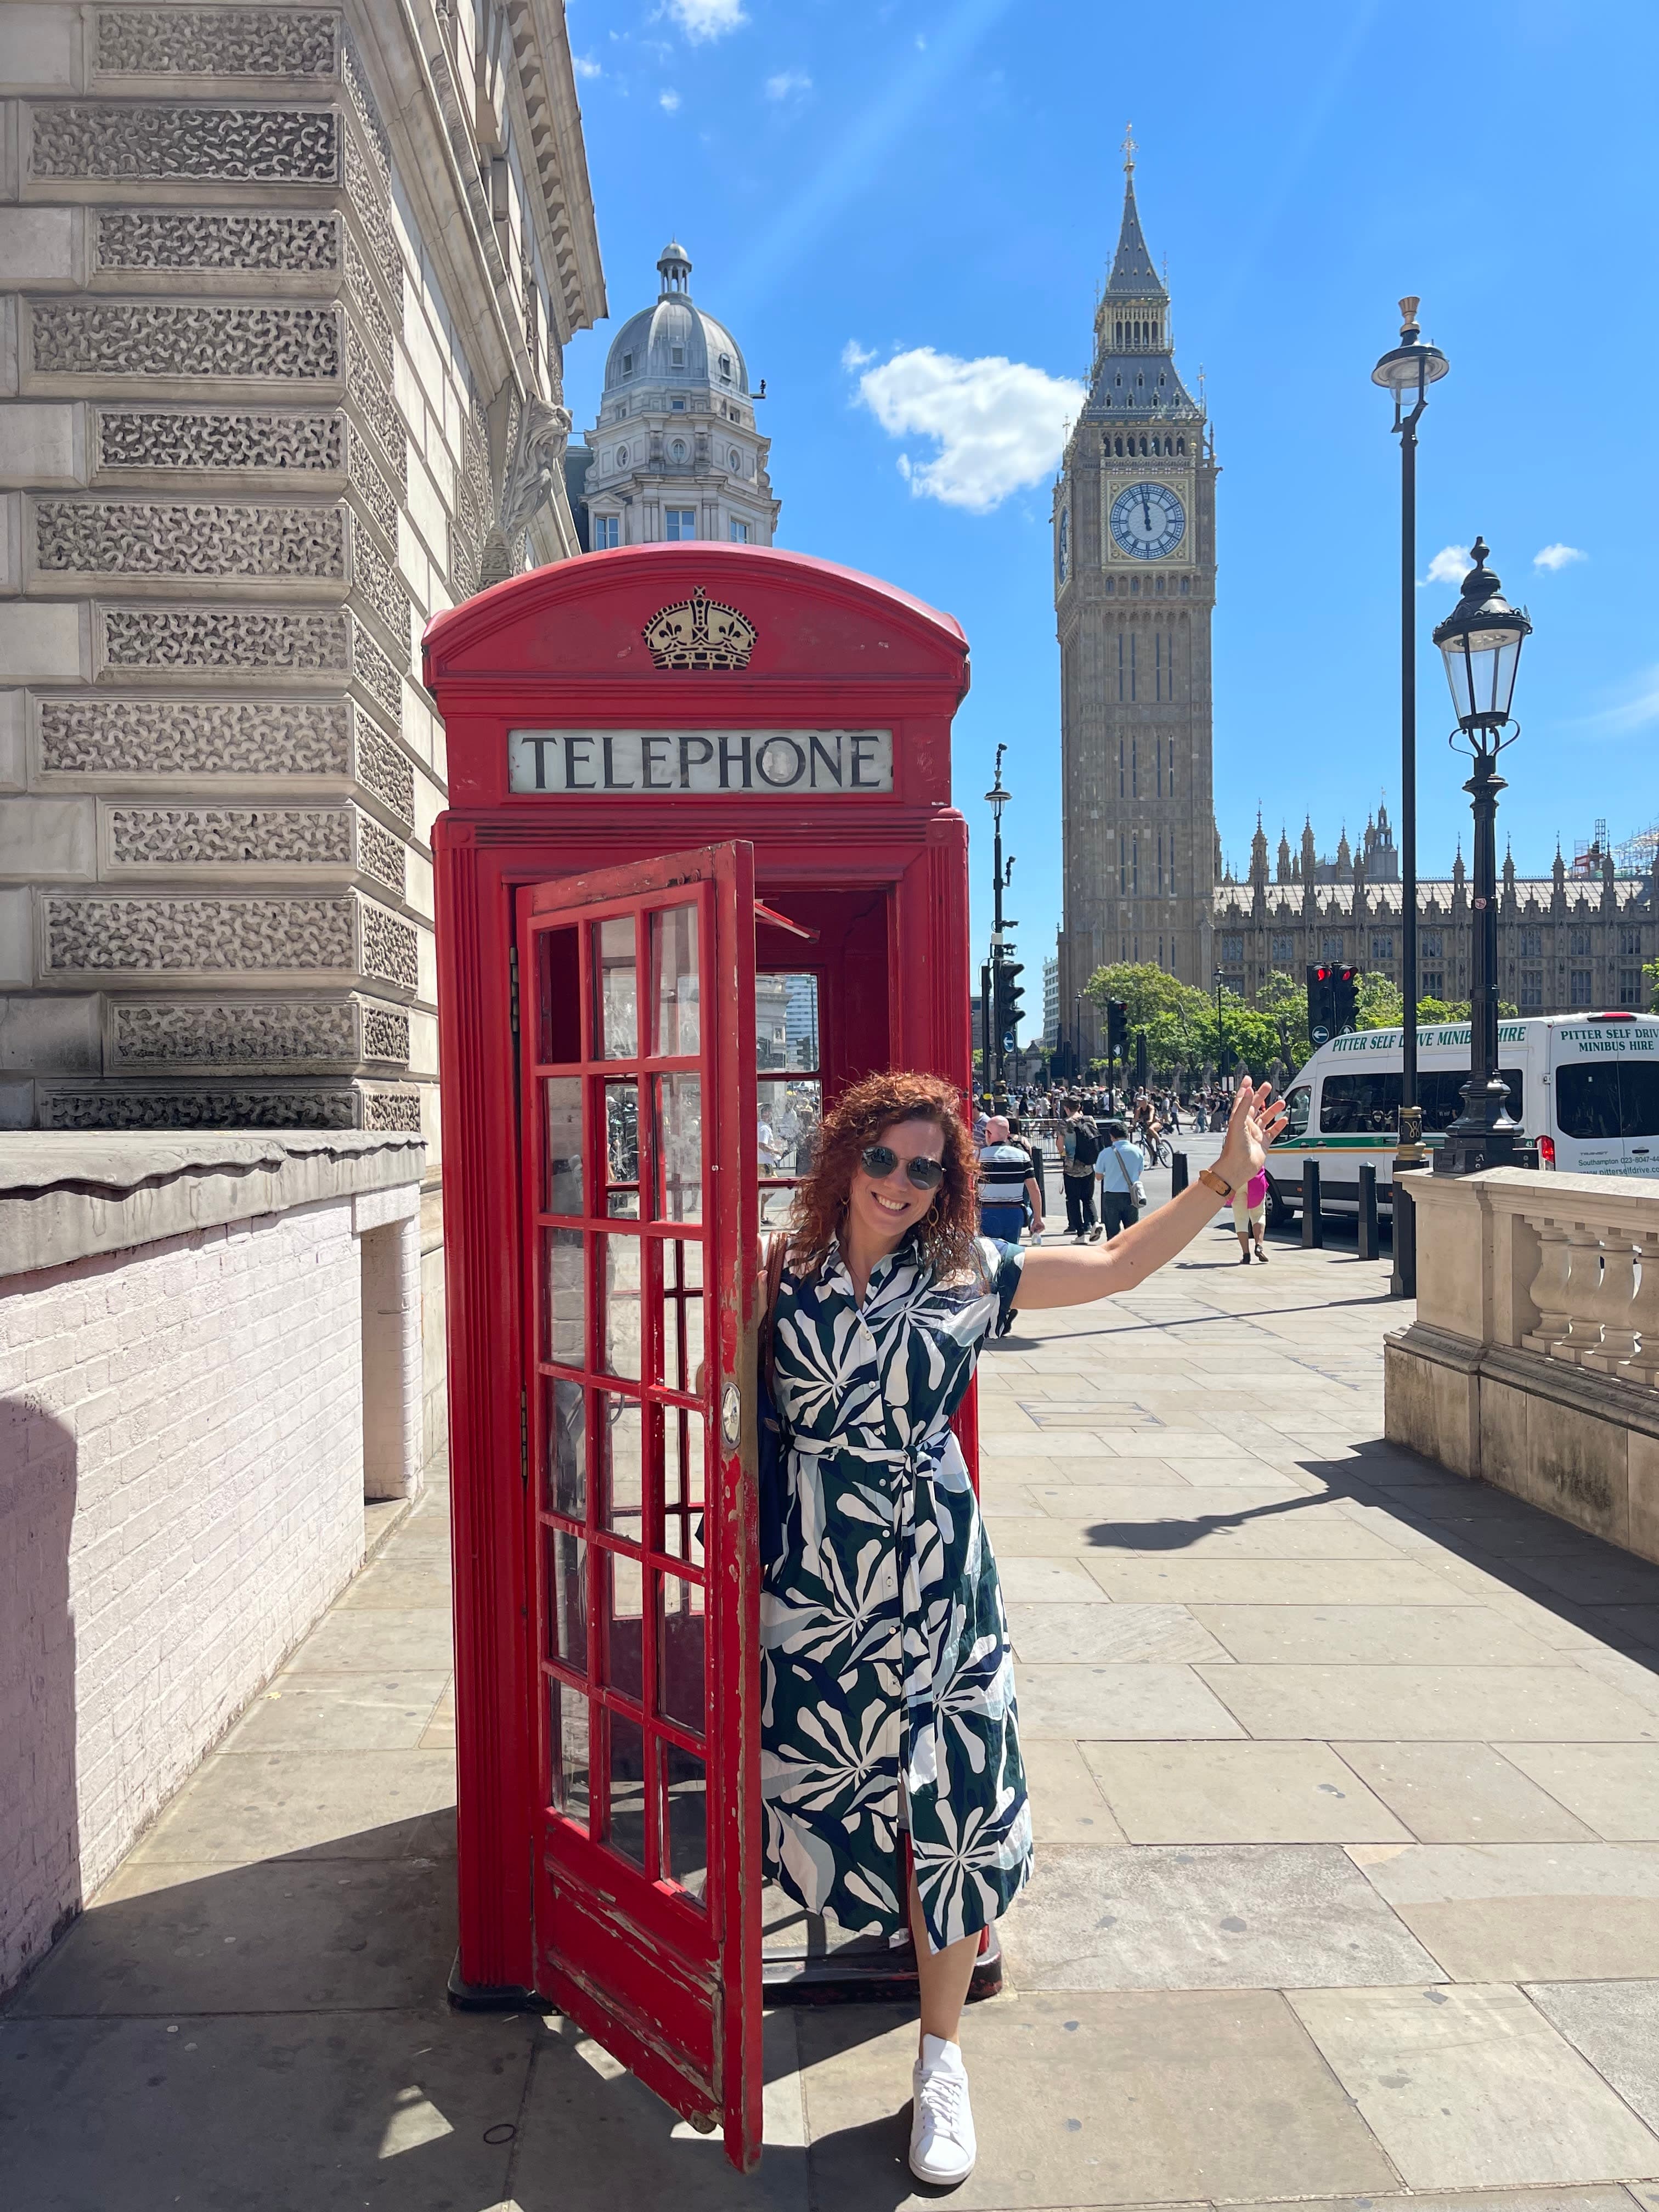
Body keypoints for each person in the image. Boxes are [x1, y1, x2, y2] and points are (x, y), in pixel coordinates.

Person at [759, 1069, 1286, 2185]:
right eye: (885, 1159)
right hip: (819, 1582)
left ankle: (939, 2060)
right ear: (847, 1157)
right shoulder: (781, 1269)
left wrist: (1220, 1182)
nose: (901, 1184)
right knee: (823, 1787)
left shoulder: (966, 1274)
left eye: (926, 1167)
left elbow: (1110, 1265)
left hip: (939, 1570)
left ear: (949, 1183)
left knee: (951, 1804)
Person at [977, 1114, 1044, 1244]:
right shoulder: (1022, 1156)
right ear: (1007, 1134)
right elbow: (1034, 1189)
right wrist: (1037, 1218)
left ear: (989, 1134)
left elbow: (969, 1188)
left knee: (989, 1255)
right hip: (1014, 1213)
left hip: (987, 1213)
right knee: (1012, 1254)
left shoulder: (979, 1157)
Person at [1093, 1118, 1143, 1240]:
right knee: (1132, 1233)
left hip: (1112, 1196)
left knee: (1113, 1235)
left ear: (1112, 1137)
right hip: (1131, 1196)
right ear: (1127, 1134)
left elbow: (1098, 1177)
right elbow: (1139, 1171)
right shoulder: (1137, 1151)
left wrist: (1109, 1174)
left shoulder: (1105, 1153)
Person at [1060, 1098, 1099, 1239]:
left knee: (1073, 1201)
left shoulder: (1064, 1123)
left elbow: (1060, 1146)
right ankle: (1095, 1223)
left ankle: (1080, 1234)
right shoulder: (1089, 1119)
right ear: (1080, 1106)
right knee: (1088, 1198)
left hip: (1071, 1167)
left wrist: (1064, 1154)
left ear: (1066, 1108)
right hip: (1088, 1165)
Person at [1233, 1164, 1269, 1262]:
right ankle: (1259, 1246)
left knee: (1240, 1218)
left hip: (1237, 1181)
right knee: (1259, 1214)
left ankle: (1246, 1255)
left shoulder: (1231, 1147)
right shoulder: (1258, 1147)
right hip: (1256, 1179)